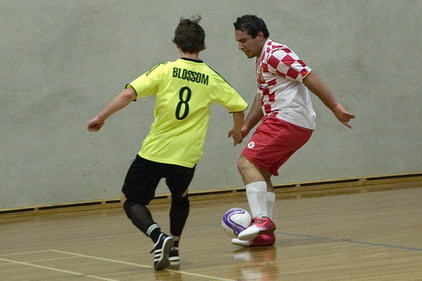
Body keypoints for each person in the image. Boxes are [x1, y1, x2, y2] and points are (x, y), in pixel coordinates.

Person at [87, 15, 247, 270]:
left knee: (129, 200)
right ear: (202, 45)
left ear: (177, 44)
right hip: (186, 156)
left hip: (155, 151)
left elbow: (129, 93)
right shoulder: (211, 76)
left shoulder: (164, 70)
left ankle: (158, 237)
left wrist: (101, 116)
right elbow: (238, 106)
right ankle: (174, 251)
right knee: (180, 196)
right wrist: (237, 130)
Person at [231, 15, 355, 247]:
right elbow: (262, 95)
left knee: (246, 164)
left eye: (244, 40)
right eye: (238, 41)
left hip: (286, 119)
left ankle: (261, 220)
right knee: (260, 169)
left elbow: (309, 76)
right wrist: (247, 126)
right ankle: (264, 235)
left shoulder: (276, 54)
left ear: (260, 36)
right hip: (289, 121)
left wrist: (336, 107)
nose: (240, 46)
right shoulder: (261, 58)